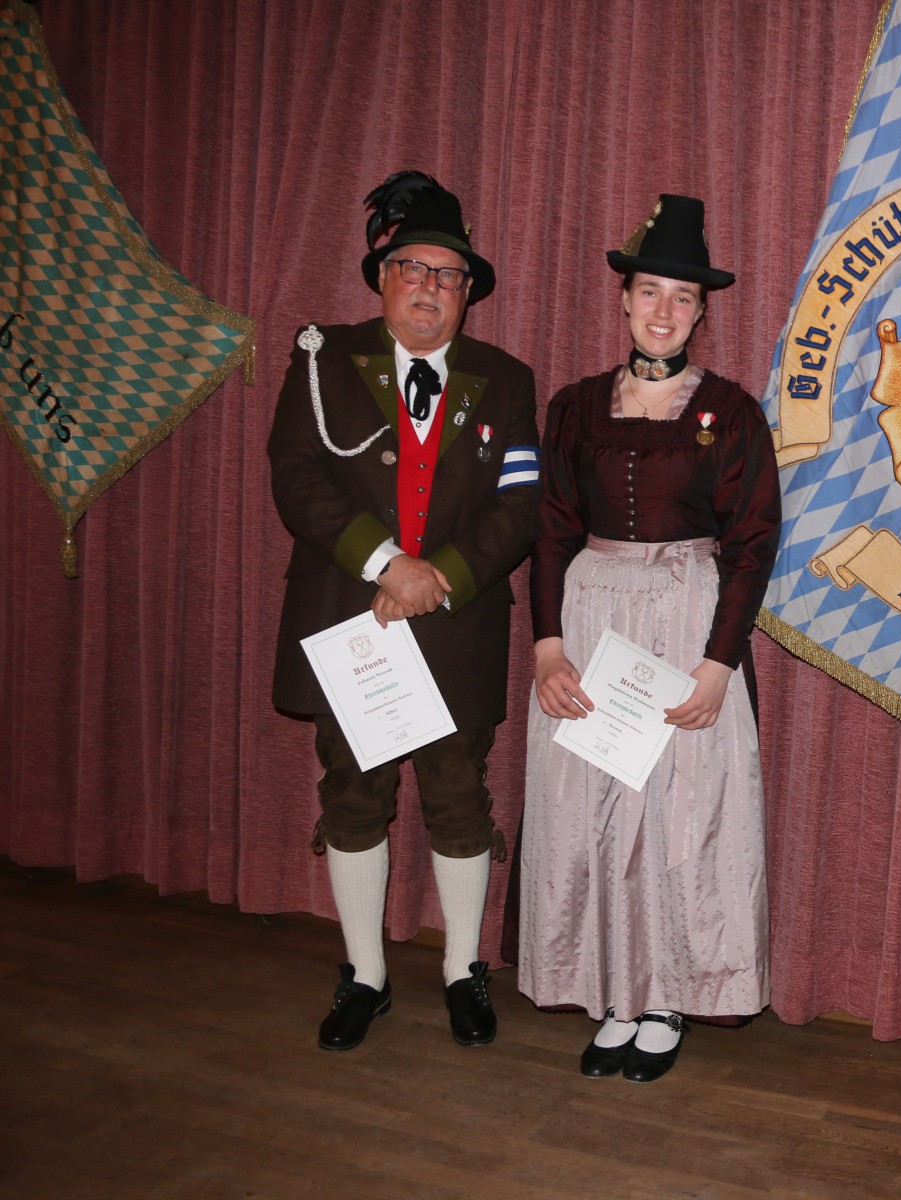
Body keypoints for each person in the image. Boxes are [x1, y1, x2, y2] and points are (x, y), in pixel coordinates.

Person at [269, 171, 540, 1052]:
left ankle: (463, 969)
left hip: (458, 622)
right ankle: (366, 975)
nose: (429, 286)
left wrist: (441, 575)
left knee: (460, 797)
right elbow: (295, 477)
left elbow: (521, 506)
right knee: (354, 795)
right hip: (357, 624)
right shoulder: (322, 360)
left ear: (467, 292)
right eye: (413, 268)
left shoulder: (507, 380)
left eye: (447, 274)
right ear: (383, 278)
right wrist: (389, 565)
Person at [517, 194, 780, 1083]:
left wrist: (718, 666)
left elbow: (752, 543)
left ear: (701, 312)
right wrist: (547, 646)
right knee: (593, 809)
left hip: (685, 623)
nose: (664, 311)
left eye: (683, 297)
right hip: (592, 621)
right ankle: (616, 993)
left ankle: (669, 998)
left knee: (680, 815)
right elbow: (551, 528)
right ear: (624, 299)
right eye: (649, 292)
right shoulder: (575, 407)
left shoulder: (731, 413)